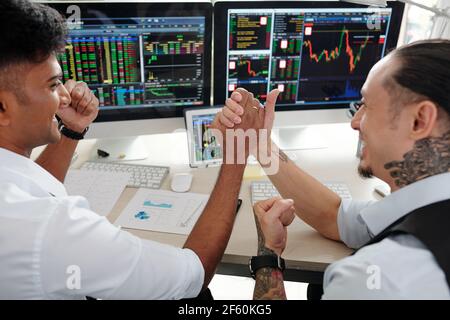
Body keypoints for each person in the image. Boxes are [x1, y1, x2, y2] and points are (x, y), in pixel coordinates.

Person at [0, 0, 245, 299]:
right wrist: (236, 154)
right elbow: (193, 275)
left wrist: (72, 131)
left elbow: (34, 191)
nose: (65, 96)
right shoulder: (56, 230)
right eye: (52, 86)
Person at [217, 39, 450, 299]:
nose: (355, 122)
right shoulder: (427, 205)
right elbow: (332, 215)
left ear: (419, 121)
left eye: (367, 106)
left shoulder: (378, 279)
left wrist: (268, 255)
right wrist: (261, 146)